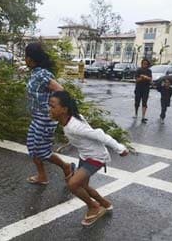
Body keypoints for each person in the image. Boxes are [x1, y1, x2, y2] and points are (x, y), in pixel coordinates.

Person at [49, 91, 129, 226]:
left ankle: (93, 206)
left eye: (52, 106)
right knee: (83, 186)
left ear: (64, 109)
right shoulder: (68, 120)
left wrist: (119, 148)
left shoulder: (75, 126)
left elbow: (99, 135)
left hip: (96, 157)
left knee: (73, 184)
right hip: (85, 155)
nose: (49, 109)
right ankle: (105, 203)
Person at [25, 42, 75, 185]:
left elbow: (61, 90)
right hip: (37, 117)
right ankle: (42, 176)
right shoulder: (36, 72)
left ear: (30, 58)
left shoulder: (42, 74)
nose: (25, 59)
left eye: (26, 56)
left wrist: (59, 111)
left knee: (41, 150)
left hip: (46, 118)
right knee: (32, 147)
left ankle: (66, 166)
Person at [134, 59, 153, 123]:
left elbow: (150, 79)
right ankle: (136, 114)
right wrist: (141, 78)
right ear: (141, 64)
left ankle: (143, 117)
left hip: (146, 89)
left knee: (144, 102)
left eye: (146, 64)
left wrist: (145, 77)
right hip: (138, 88)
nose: (145, 65)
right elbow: (136, 80)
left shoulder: (149, 71)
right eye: (144, 63)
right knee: (137, 102)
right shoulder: (138, 70)